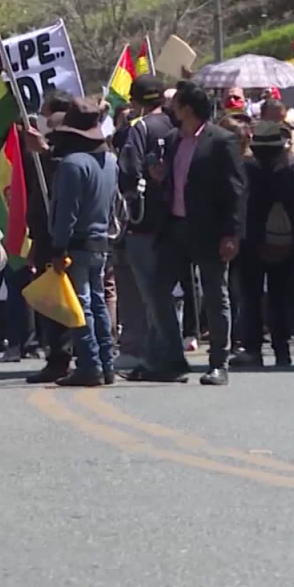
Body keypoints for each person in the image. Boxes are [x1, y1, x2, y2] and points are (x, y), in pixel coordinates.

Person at [130, 81, 245, 386]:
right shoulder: (172, 139)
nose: (171, 109)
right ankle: (172, 359)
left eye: (177, 104)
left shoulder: (221, 141)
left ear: (188, 108)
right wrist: (158, 177)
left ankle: (219, 363)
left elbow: (235, 190)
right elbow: (170, 181)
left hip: (209, 231)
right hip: (174, 228)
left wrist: (232, 233)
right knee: (158, 289)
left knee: (214, 294)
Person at [48, 98, 118, 386]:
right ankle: (106, 362)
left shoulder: (72, 164)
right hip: (101, 240)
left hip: (77, 243)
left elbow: (67, 211)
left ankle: (89, 365)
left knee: (82, 306)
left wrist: (57, 246)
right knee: (98, 303)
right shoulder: (110, 161)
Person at [109, 75, 175, 378]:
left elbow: (129, 173)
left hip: (143, 220)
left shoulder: (140, 129)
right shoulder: (177, 126)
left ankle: (144, 351)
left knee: (140, 289)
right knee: (165, 290)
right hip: (175, 218)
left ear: (135, 102)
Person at [231, 121, 294, 367]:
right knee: (279, 295)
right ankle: (281, 348)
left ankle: (253, 348)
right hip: (285, 240)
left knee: (251, 295)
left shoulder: (245, 171)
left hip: (251, 241)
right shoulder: (289, 172)